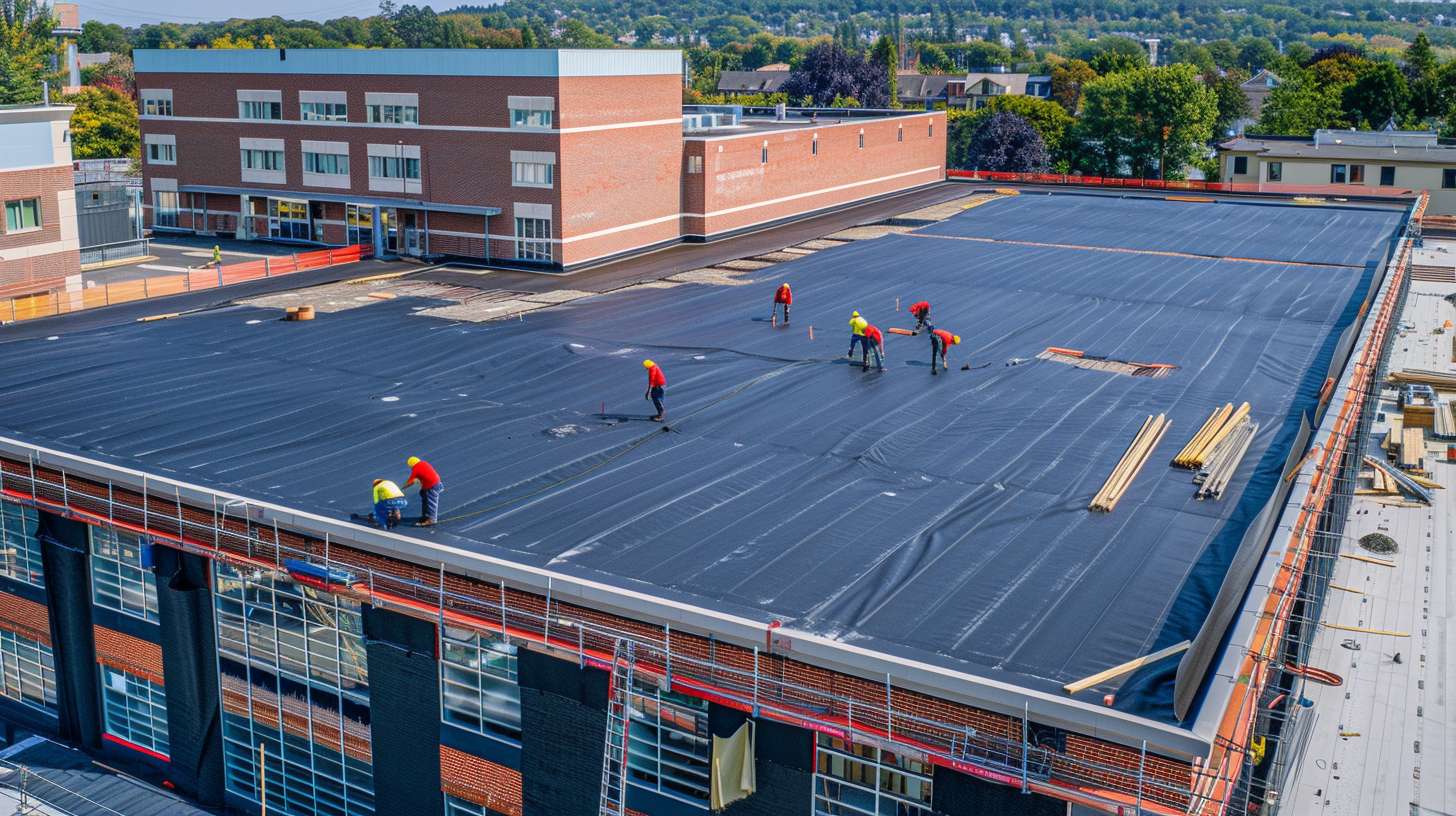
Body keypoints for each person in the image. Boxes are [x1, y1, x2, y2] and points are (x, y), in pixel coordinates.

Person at [402, 456, 443, 527]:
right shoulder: (424, 463)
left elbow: (410, 482)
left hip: (431, 486)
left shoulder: (415, 469)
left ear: (411, 465)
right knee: (423, 495)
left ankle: (431, 520)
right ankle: (426, 516)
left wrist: (403, 488)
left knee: (431, 503)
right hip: (436, 482)